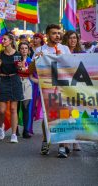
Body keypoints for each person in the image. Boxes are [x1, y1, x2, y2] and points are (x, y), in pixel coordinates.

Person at [30, 24, 71, 158]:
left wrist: (62, 58)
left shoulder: (65, 49)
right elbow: (31, 70)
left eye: (59, 33)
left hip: (63, 87)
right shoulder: (40, 49)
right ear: (47, 35)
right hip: (46, 87)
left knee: (63, 115)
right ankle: (45, 141)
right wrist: (37, 59)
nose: (57, 35)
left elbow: (72, 67)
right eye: (54, 33)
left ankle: (62, 145)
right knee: (48, 116)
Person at [0, 32, 24, 143]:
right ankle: (1, 126)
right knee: (2, 110)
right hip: (3, 80)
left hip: (15, 80)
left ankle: (13, 134)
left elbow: (20, 70)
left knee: (13, 109)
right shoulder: (0, 55)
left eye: (5, 39)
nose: (2, 41)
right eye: (2, 39)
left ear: (11, 41)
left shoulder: (17, 54)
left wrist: (21, 67)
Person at [17, 42, 33, 139]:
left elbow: (31, 72)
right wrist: (21, 69)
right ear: (19, 50)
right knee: (16, 108)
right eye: (22, 48)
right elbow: (15, 70)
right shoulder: (16, 60)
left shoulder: (30, 61)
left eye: (25, 48)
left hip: (27, 84)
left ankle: (26, 131)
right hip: (17, 83)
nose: (24, 50)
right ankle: (15, 129)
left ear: (28, 50)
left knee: (26, 108)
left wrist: (24, 69)